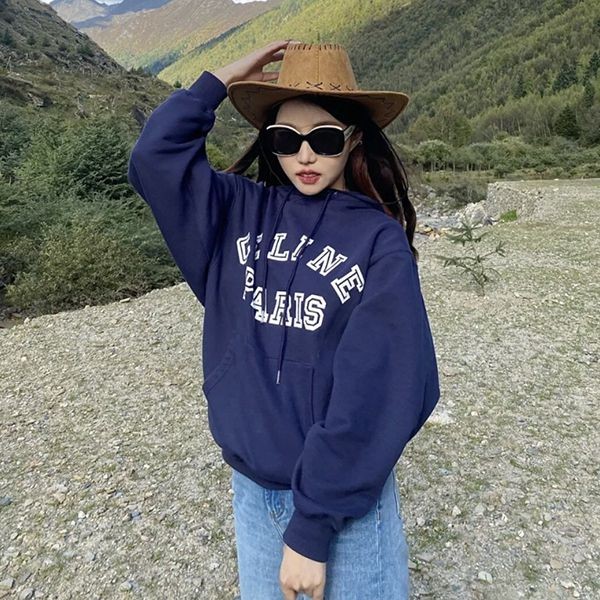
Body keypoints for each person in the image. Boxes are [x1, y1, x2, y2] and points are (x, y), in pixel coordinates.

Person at [127, 40, 441, 600]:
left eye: (324, 138)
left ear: (354, 139)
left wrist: (313, 527)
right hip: (253, 492)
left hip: (344, 508)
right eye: (285, 139)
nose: (304, 156)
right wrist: (217, 82)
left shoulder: (379, 242)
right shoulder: (235, 211)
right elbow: (155, 159)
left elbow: (379, 389)